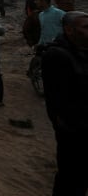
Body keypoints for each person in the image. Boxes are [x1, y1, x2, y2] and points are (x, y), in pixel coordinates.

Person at [42, 11, 88, 195]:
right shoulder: (57, 56)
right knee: (71, 181)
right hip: (75, 134)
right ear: (69, 30)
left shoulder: (83, 52)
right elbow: (60, 103)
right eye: (85, 27)